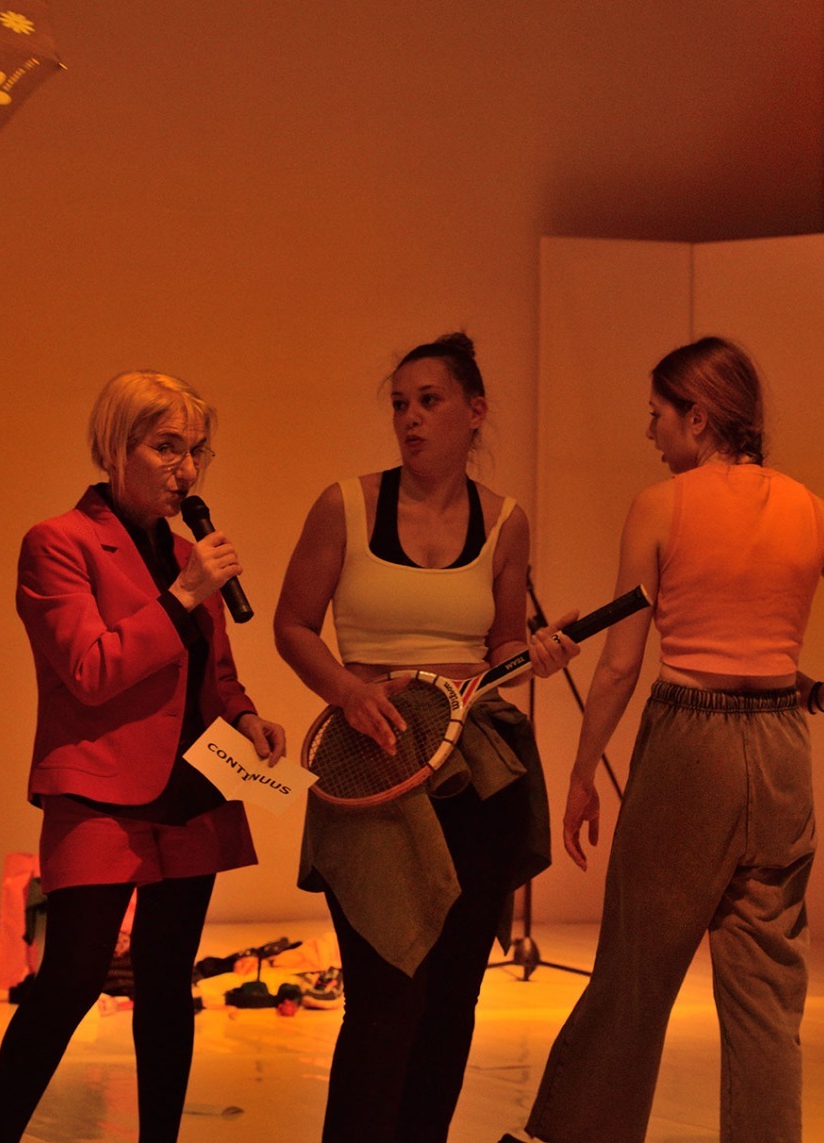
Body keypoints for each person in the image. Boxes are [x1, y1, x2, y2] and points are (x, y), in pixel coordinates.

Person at [511, 337, 824, 1143]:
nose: (651, 432)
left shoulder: (660, 506)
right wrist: (823, 694)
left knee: (635, 974)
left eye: (658, 415)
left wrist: (584, 770)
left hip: (689, 743)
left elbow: (619, 666)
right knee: (767, 996)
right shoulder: (814, 511)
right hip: (782, 746)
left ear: (697, 417)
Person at [273, 331, 577, 1143]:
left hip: (474, 767)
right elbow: (293, 623)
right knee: (384, 997)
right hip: (371, 761)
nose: (410, 417)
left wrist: (536, 656)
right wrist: (347, 689)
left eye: (428, 401)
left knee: (451, 999)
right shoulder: (345, 504)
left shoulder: (506, 521)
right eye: (400, 404)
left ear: (474, 412)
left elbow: (503, 647)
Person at [0, 370, 287, 1143]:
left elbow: (214, 671)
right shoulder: (59, 542)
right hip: (100, 787)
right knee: (71, 978)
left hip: (192, 788)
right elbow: (90, 669)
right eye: (167, 447)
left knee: (168, 981)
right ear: (117, 447)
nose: (187, 470)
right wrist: (182, 595)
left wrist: (247, 716)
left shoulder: (187, 553)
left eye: (197, 451)